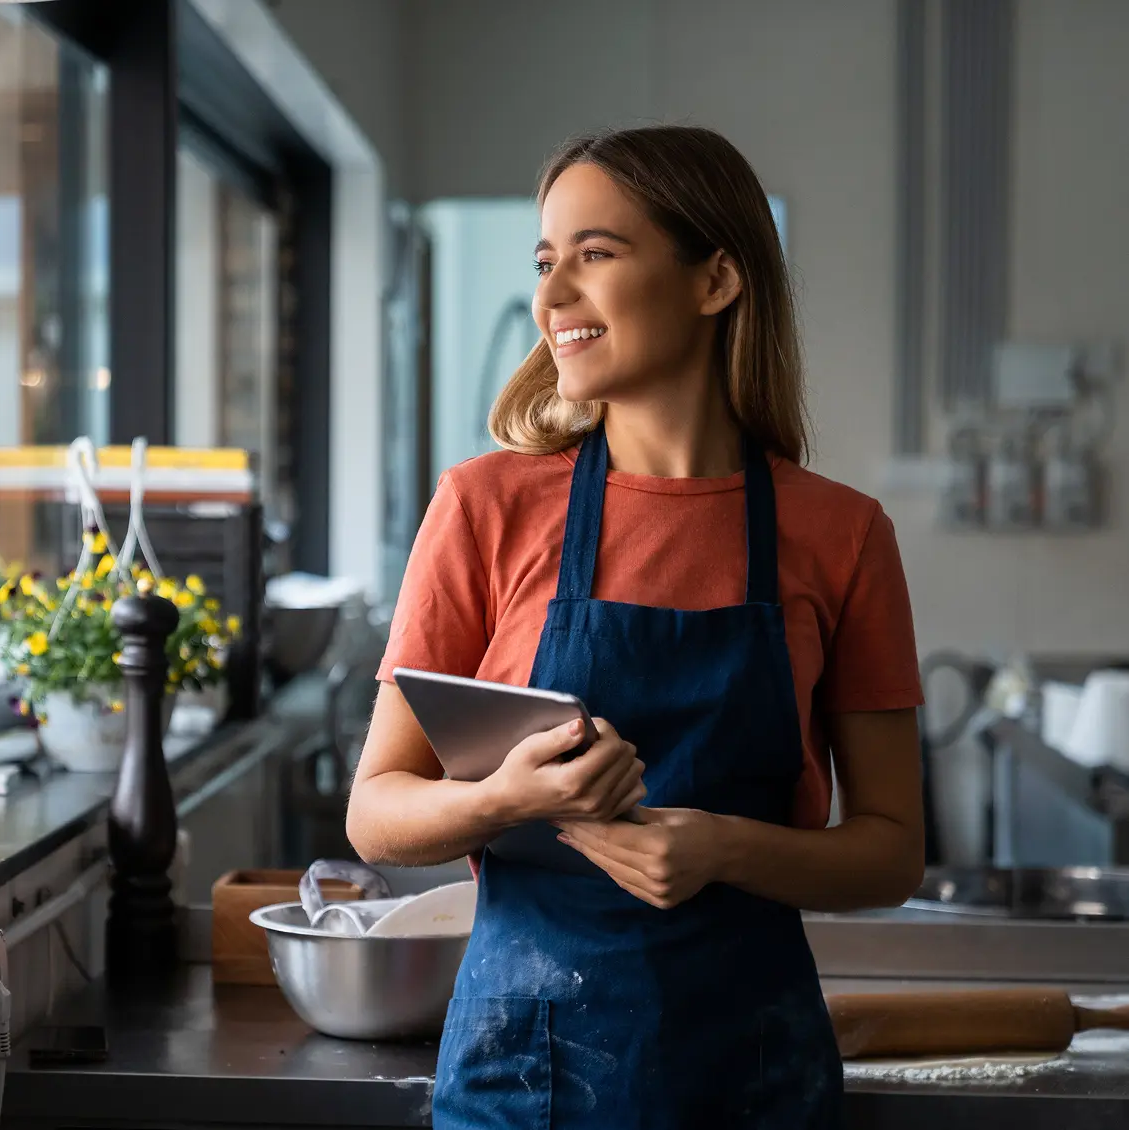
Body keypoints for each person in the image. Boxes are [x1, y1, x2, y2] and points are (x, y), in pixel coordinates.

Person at [346, 124, 926, 1129]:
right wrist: (502, 799)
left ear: (713, 280)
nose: (551, 293)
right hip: (520, 1079)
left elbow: (888, 851)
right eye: (544, 259)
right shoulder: (484, 506)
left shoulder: (841, 534)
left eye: (595, 253)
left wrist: (721, 847)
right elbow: (376, 809)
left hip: (751, 1075)